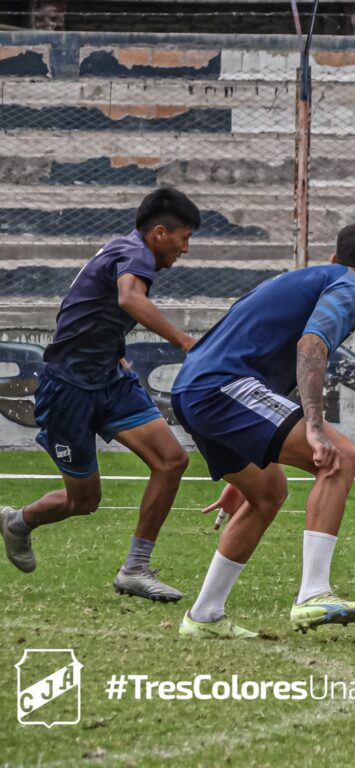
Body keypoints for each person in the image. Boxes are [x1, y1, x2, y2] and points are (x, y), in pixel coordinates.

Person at [171, 221, 355, 639]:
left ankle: (203, 617)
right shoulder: (352, 290)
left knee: (267, 493)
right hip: (222, 387)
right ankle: (314, 593)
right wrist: (313, 427)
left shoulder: (311, 278)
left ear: (332, 258)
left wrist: (254, 451)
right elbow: (311, 347)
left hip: (196, 388)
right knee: (341, 457)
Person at [0, 187, 200, 601]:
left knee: (172, 460)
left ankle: (135, 569)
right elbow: (128, 298)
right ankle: (18, 521)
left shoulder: (122, 250)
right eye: (184, 237)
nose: (186, 248)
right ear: (159, 232)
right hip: (67, 390)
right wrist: (185, 342)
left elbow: (85, 306)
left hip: (109, 380)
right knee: (84, 500)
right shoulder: (137, 254)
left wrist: (115, 351)